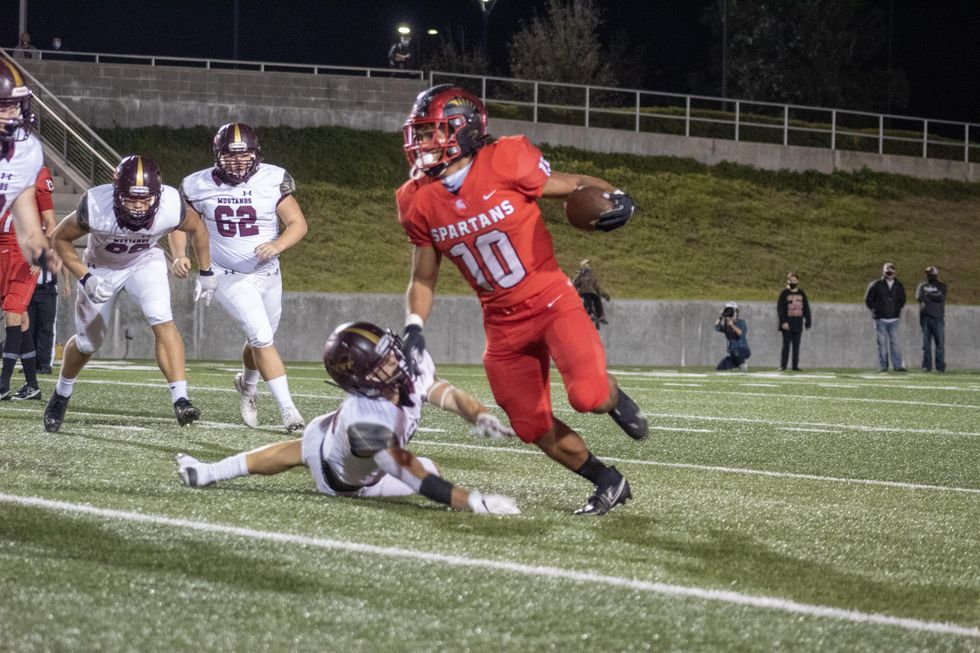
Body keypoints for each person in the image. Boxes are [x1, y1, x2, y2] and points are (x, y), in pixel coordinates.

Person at [396, 85, 646, 517]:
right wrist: (414, 325)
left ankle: (614, 397)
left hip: (550, 300)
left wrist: (615, 195)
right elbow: (423, 274)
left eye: (434, 133)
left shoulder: (506, 159)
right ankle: (608, 480)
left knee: (589, 398)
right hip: (502, 324)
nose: (424, 144)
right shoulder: (416, 200)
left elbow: (573, 185)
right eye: (421, 134)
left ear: (465, 130)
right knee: (530, 425)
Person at [176, 321, 521, 515]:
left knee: (296, 449)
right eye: (384, 360)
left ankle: (207, 472)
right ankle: (208, 472)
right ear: (364, 380)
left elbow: (444, 392)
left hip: (323, 431)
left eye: (391, 349)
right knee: (432, 470)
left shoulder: (398, 371)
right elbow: (414, 474)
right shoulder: (367, 425)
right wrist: (475, 502)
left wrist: (478, 414)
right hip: (339, 478)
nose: (396, 360)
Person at [43, 154, 215, 432]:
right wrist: (85, 277)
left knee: (162, 318)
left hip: (143, 262)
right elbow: (59, 238)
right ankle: (61, 394)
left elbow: (197, 228)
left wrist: (206, 271)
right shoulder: (96, 205)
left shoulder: (171, 204)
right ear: (116, 193)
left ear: (157, 195)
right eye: (131, 199)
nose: (138, 207)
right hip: (101, 267)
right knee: (89, 342)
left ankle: (181, 399)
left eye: (145, 200)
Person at [173, 122, 309, 433]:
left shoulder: (272, 179)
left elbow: (298, 224)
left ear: (256, 154)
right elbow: (181, 224)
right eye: (230, 155)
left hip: (267, 273)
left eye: (244, 155)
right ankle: (289, 410)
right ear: (217, 156)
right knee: (262, 336)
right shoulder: (197, 185)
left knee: (260, 340)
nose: (237, 162)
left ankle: (247, 385)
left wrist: (277, 245)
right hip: (224, 274)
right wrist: (181, 255)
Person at [0, 59, 61, 277]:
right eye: (4, 106)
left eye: (16, 105)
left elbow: (29, 233)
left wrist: (41, 252)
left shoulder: (24, 151)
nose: (13, 115)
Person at [0, 165, 55, 400]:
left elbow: (51, 223)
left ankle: (3, 384)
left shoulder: (38, 173)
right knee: (21, 320)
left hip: (24, 252)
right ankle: (32, 385)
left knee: (13, 314)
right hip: (2, 252)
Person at [864, 262, 906, 372]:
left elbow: (902, 300)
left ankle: (897, 366)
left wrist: (897, 309)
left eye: (891, 271)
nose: (889, 273)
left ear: (894, 272)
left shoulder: (898, 285)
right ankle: (883, 366)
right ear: (884, 272)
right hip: (880, 319)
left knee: (895, 344)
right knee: (882, 344)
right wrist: (876, 309)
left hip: (894, 319)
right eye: (887, 271)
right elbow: (868, 300)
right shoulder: (876, 284)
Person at [776, 272, 811, 371]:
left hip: (798, 323)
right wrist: (783, 322)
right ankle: (783, 365)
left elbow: (806, 308)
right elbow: (780, 309)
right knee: (786, 346)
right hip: (787, 324)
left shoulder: (801, 293)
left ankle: (795, 366)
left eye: (794, 280)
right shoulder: (784, 293)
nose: (793, 282)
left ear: (798, 281)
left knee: (796, 346)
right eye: (791, 280)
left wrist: (808, 321)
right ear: (788, 281)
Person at [915, 265, 946, 373]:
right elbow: (919, 297)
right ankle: (926, 366)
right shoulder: (922, 285)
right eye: (928, 274)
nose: (929, 276)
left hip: (938, 318)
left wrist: (928, 295)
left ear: (935, 274)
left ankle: (940, 366)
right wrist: (933, 295)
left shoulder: (942, 286)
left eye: (931, 274)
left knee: (940, 344)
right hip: (925, 318)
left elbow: (941, 298)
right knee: (926, 344)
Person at [572, 259, 611, 329]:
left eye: (588, 265)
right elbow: (574, 285)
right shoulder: (580, 275)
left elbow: (597, 287)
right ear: (583, 266)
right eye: (586, 264)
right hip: (582, 292)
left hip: (590, 292)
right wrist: (573, 293)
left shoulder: (591, 277)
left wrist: (605, 295)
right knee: (588, 298)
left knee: (596, 298)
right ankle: (590, 313)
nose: (588, 266)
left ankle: (600, 315)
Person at [715, 301, 751, 371]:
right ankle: (736, 365)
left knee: (736, 351)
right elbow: (717, 327)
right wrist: (721, 316)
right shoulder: (726, 325)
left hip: (743, 350)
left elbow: (741, 333)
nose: (729, 313)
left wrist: (732, 325)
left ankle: (742, 364)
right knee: (720, 368)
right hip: (732, 354)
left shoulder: (741, 322)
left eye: (731, 311)